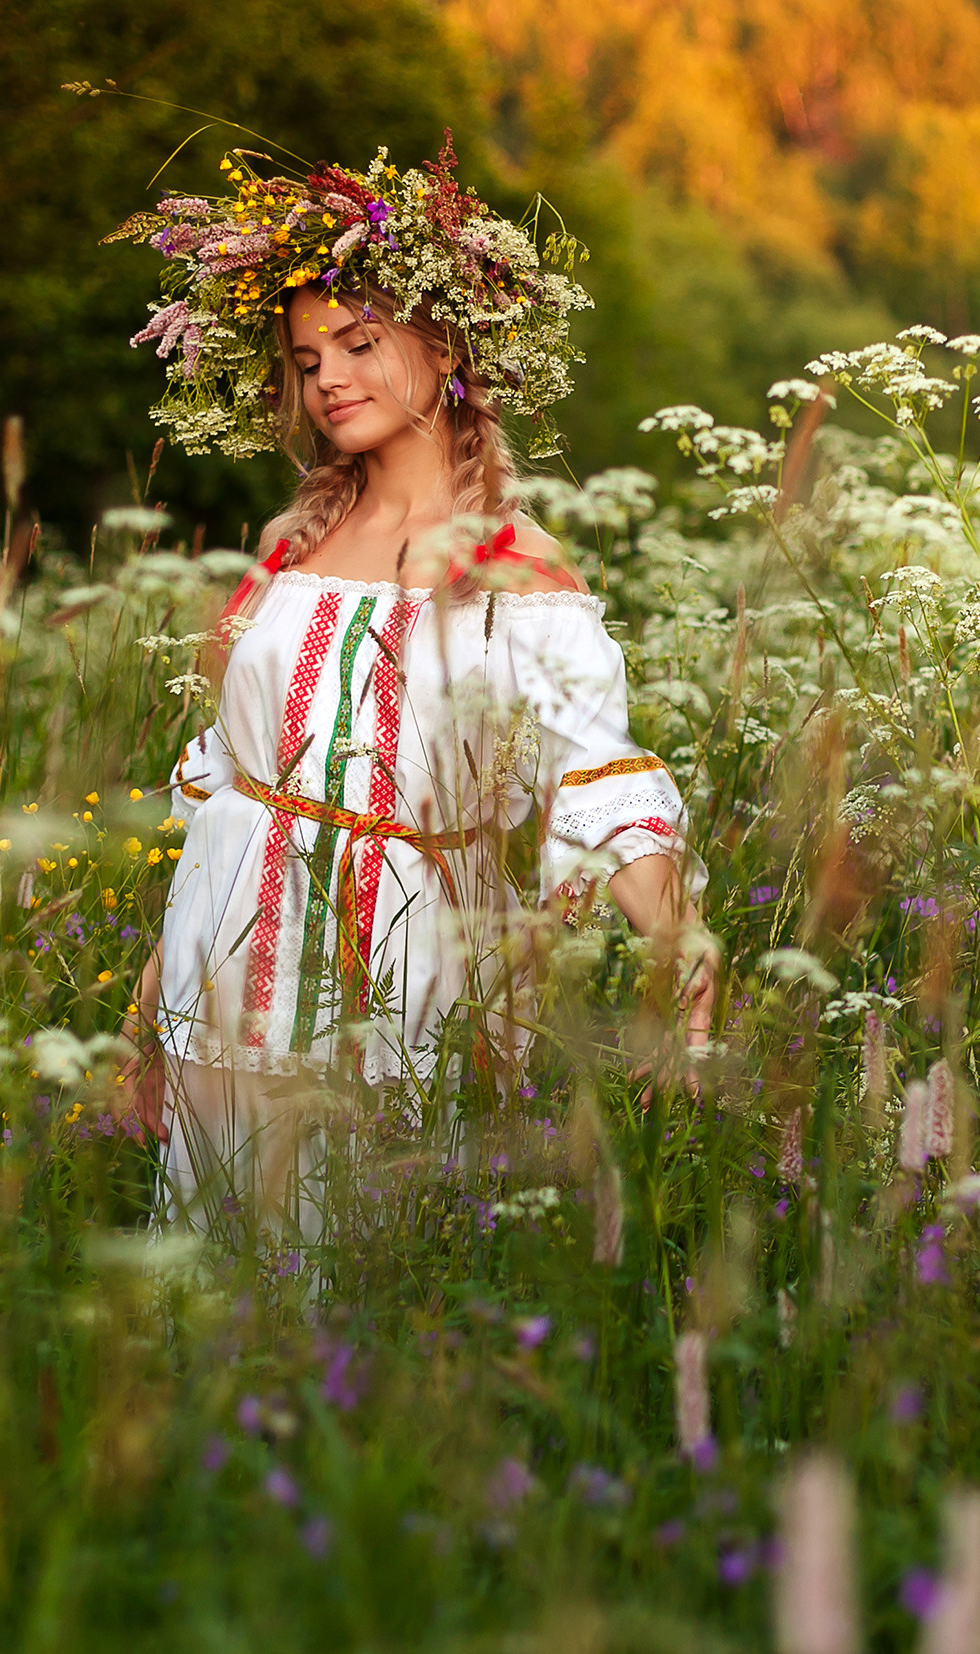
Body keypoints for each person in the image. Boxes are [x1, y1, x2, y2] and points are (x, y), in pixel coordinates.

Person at [109, 140, 714, 1246]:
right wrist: (145, 1016)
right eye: (304, 359)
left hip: (405, 966)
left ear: (447, 349)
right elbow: (221, 801)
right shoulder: (286, 550)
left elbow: (593, 774)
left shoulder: (512, 562)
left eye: (357, 342)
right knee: (207, 1275)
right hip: (223, 969)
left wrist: (674, 936)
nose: (327, 376)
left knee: (362, 1283)